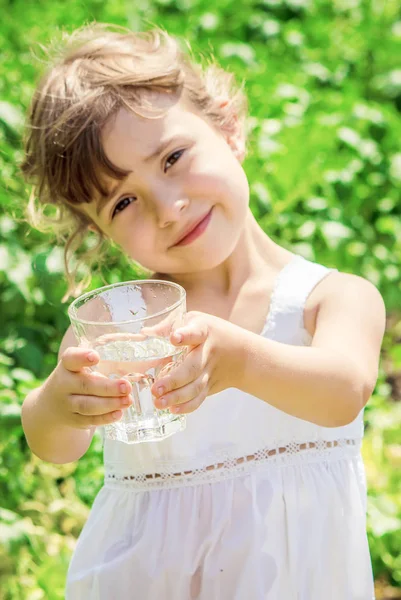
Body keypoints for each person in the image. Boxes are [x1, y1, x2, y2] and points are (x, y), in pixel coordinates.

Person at [20, 23, 386, 600]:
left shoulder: (330, 298)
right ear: (100, 231)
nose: (168, 209)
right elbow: (54, 448)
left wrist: (241, 362)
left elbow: (344, 390)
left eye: (172, 157)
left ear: (227, 126)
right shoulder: (125, 326)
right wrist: (60, 407)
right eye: (123, 202)